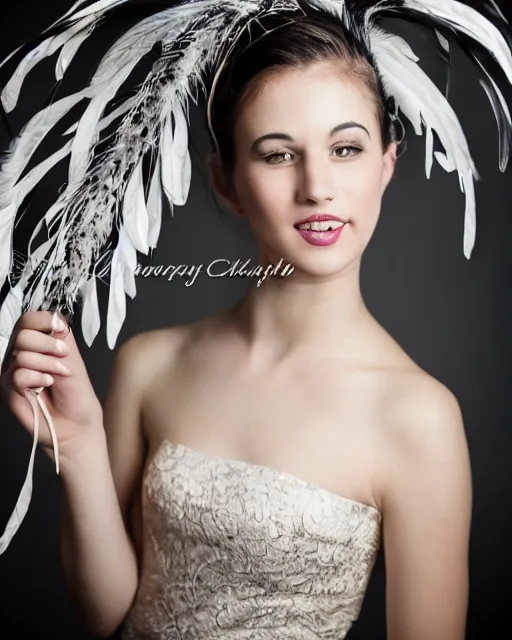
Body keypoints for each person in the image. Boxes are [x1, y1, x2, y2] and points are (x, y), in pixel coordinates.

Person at [0, 10, 474, 639]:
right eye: (278, 155)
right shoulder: (152, 363)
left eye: (347, 148)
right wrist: (81, 447)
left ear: (385, 164)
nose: (318, 187)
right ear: (225, 180)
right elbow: (110, 614)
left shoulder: (419, 417)